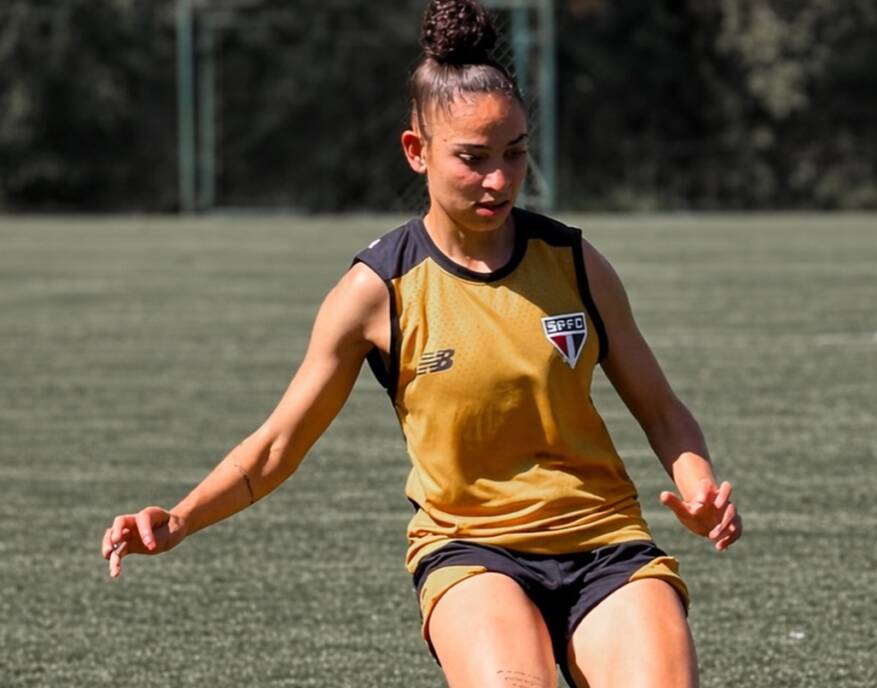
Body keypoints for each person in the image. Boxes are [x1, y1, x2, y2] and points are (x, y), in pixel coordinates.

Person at [101, 1, 741, 686]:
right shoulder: (376, 290)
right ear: (418, 151)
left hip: (606, 542)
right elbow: (277, 445)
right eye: (473, 159)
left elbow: (661, 410)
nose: (500, 179)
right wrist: (181, 519)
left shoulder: (575, 263)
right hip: (473, 552)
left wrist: (699, 488)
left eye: (515, 153)